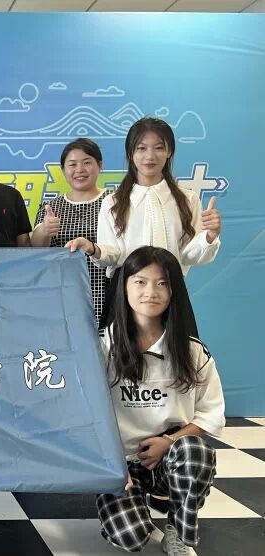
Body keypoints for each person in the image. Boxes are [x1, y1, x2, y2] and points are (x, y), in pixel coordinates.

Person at [96, 246, 224, 555]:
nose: (150, 292)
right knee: (130, 537)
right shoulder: (101, 348)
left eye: (162, 283)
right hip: (120, 464)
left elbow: (210, 414)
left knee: (195, 452)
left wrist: (169, 442)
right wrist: (108, 466)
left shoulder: (192, 351)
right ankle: (128, 504)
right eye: (140, 281)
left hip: (170, 457)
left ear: (173, 291)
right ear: (124, 287)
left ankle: (178, 529)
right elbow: (84, 416)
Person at [66, 117, 221, 331]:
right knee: (119, 350)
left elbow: (188, 254)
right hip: (125, 293)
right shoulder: (113, 202)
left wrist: (209, 236)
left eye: (158, 147)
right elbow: (113, 254)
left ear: (169, 151)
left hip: (169, 290)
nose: (150, 156)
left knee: (176, 350)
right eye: (141, 148)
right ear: (131, 153)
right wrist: (93, 248)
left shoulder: (187, 200)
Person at [31, 138, 109, 326]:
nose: (79, 170)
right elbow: (35, 249)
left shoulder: (115, 202)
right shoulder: (51, 207)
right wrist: (45, 230)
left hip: (107, 292)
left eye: (87, 162)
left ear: (99, 166)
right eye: (72, 164)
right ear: (63, 170)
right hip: (62, 294)